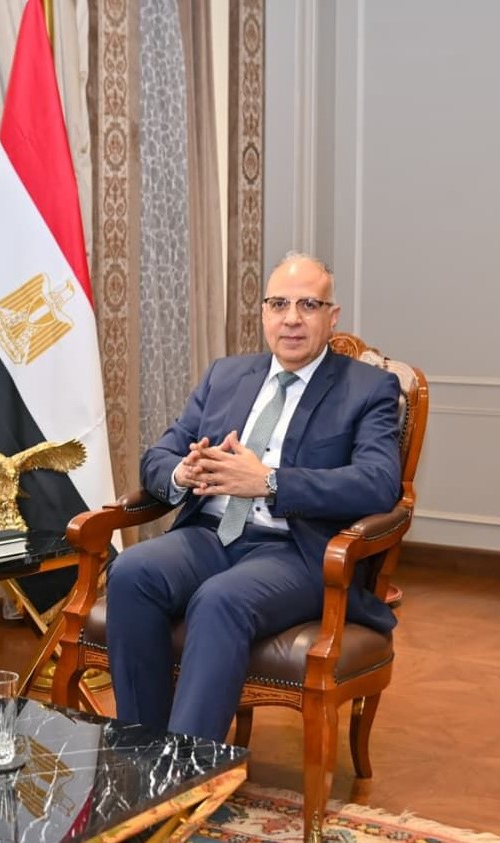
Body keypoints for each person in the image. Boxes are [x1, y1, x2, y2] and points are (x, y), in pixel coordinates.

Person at [106, 252, 402, 742]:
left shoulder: (368, 389)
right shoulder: (225, 376)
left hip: (296, 550)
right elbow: (158, 456)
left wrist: (270, 481)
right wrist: (184, 472)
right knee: (131, 572)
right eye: (279, 304)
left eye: (308, 305)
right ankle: (142, 751)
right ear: (263, 312)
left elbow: (378, 483)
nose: (292, 318)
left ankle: (187, 771)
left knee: (219, 600)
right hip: (210, 535)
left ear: (332, 316)